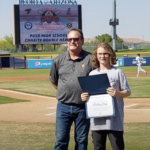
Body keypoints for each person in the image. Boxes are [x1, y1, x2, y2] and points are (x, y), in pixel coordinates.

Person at [81, 43, 131, 150]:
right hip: (97, 120)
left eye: (105, 54)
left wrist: (117, 94)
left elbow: (127, 92)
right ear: (96, 55)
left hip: (114, 120)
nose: (102, 56)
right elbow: (89, 96)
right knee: (98, 147)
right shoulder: (92, 74)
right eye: (100, 54)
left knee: (117, 147)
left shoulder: (117, 72)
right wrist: (85, 97)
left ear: (110, 55)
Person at [50, 28, 93, 150]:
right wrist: (64, 91)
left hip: (83, 107)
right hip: (63, 106)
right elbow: (53, 80)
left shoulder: (90, 59)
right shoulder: (58, 60)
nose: (72, 41)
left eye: (76, 39)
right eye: (69, 39)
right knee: (61, 140)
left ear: (82, 41)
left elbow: (96, 81)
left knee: (81, 141)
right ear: (67, 41)